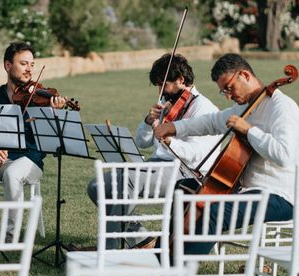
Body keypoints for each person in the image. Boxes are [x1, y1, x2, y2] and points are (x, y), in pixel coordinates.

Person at [154, 53, 299, 255]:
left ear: (244, 75)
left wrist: (248, 130)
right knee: (185, 189)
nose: (228, 95)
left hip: (278, 196)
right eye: (223, 91)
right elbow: (210, 122)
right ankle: (160, 260)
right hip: (245, 190)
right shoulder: (246, 106)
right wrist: (173, 127)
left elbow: (285, 155)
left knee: (212, 213)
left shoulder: (282, 107)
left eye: (229, 88)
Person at [86, 53, 221, 249]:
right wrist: (148, 122)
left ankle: (109, 249)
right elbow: (142, 142)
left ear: (181, 80)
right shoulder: (169, 103)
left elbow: (197, 155)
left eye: (162, 84)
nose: (160, 91)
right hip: (157, 166)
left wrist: (169, 141)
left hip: (186, 172)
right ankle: (141, 239)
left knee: (129, 177)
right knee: (97, 186)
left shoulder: (203, 107)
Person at [0, 42, 66, 237]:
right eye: (24, 64)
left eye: (32, 65)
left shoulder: (41, 99)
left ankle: (10, 237)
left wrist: (52, 114)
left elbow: (51, 141)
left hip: (28, 160)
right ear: (8, 66)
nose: (29, 69)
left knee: (13, 174)